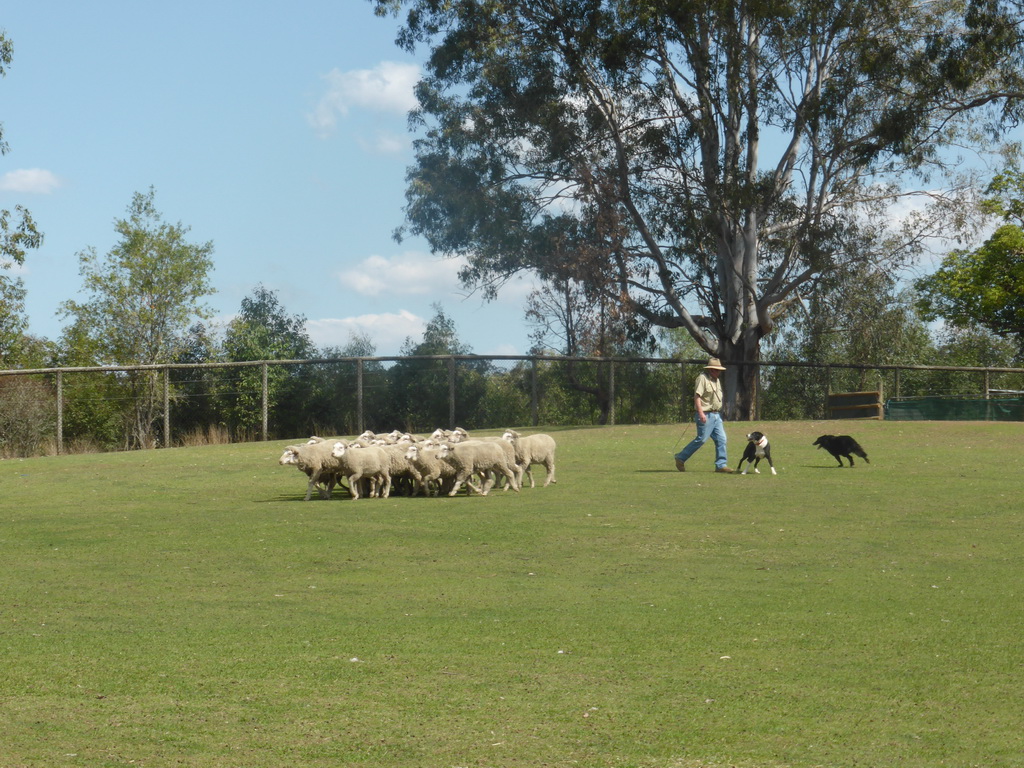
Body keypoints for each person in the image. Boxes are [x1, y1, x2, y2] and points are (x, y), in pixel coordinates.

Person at [674, 357, 733, 473]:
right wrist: (701, 413)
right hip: (706, 414)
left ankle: (721, 465)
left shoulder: (717, 380)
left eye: (719, 370)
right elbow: (697, 396)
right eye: (717, 370)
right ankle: (680, 457)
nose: (719, 372)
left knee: (722, 439)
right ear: (711, 370)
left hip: (716, 415)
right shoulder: (702, 378)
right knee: (701, 439)